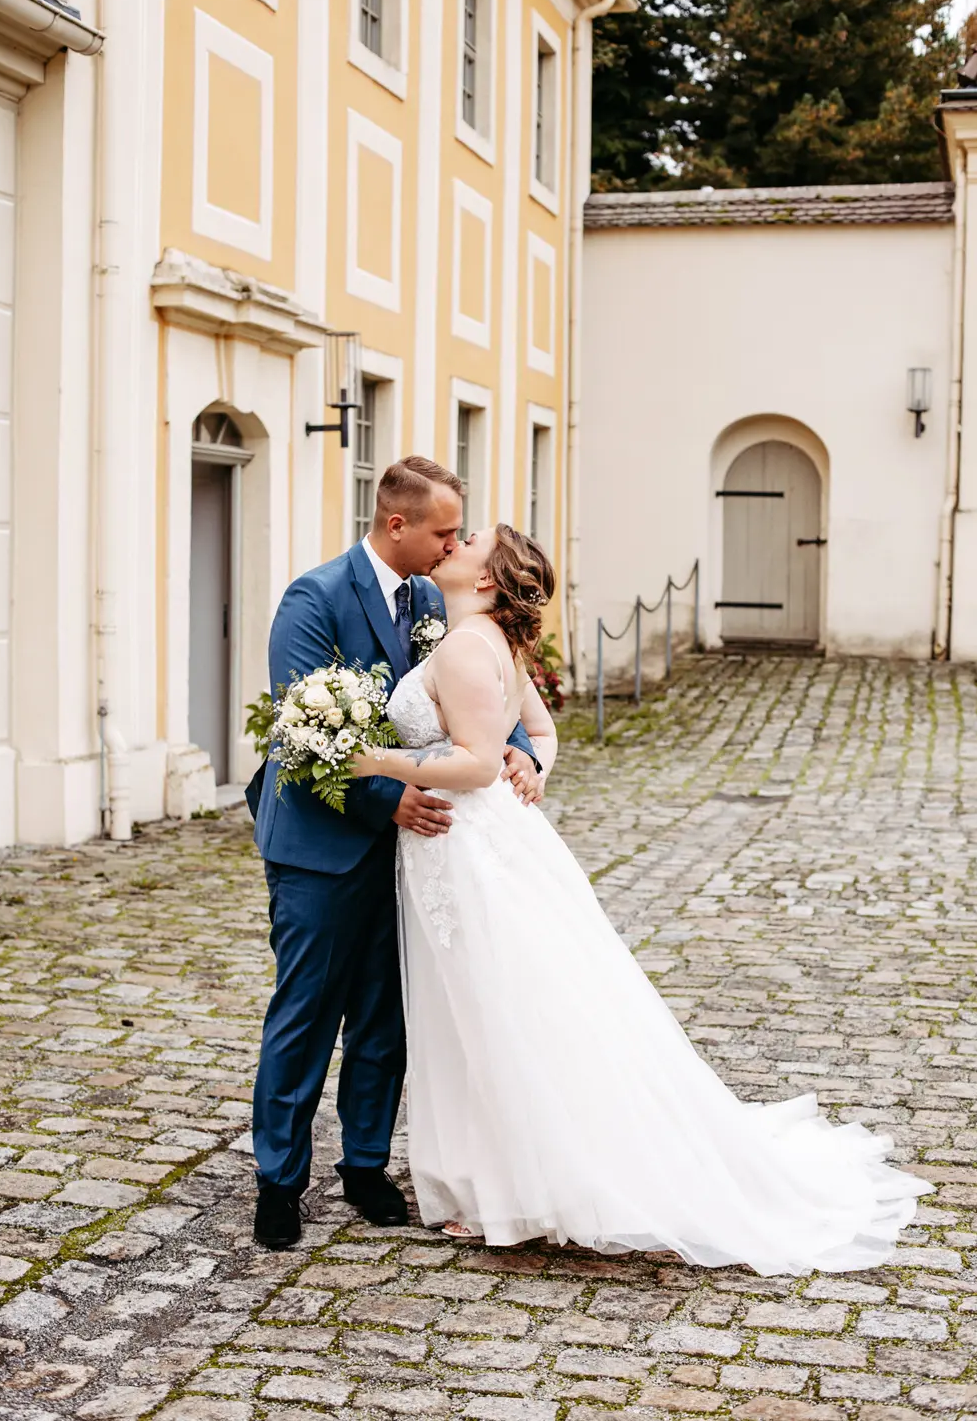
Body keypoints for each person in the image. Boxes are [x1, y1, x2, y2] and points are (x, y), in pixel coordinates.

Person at [351, 522, 934, 1272]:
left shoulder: (469, 645)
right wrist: (538, 769)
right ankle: (499, 1180)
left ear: (490, 578)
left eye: (470, 541)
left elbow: (471, 766)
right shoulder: (494, 639)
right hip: (481, 844)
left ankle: (512, 1187)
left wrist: (370, 758)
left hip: (470, 848)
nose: (455, 543)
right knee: (500, 1006)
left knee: (491, 1009)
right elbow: (540, 731)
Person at [246, 458, 543, 1251]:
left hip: (418, 852)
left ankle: (367, 1165)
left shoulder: (432, 598)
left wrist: (521, 752)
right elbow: (304, 729)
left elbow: (471, 691)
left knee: (386, 1017)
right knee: (305, 1014)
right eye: (447, 530)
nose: (456, 542)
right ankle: (279, 1181)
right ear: (398, 524)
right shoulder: (314, 599)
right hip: (322, 847)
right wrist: (392, 798)